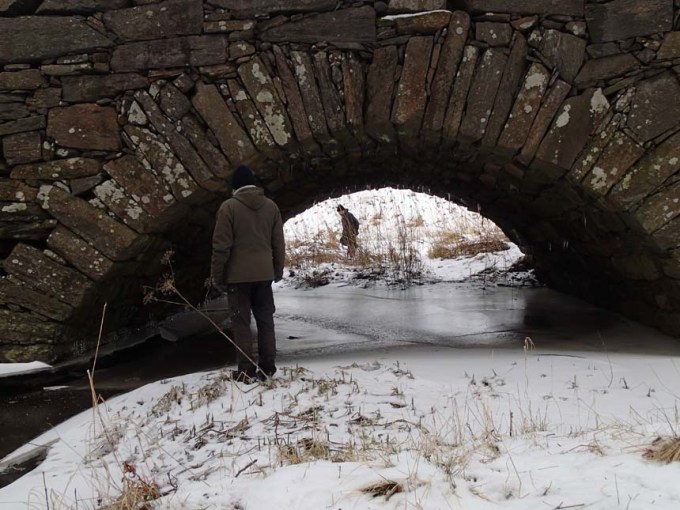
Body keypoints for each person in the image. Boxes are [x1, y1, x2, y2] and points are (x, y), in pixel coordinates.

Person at [211, 165, 285, 383]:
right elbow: (278, 244)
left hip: (237, 277)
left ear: (235, 187)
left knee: (241, 323)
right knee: (265, 320)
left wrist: (217, 275)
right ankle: (268, 367)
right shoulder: (271, 207)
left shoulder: (228, 208)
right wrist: (277, 270)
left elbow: (221, 246)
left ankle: (246, 370)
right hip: (264, 275)